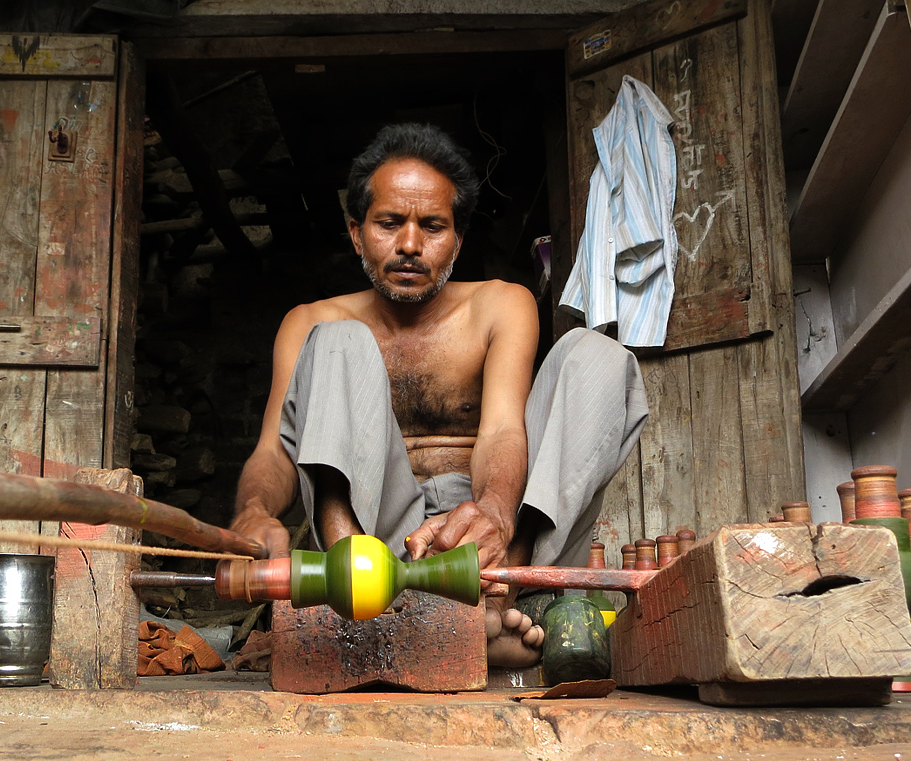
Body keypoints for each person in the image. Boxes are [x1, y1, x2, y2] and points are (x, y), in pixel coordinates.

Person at [230, 123, 648, 667]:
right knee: (333, 342)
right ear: (356, 233)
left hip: (491, 542)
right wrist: (254, 510)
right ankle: (362, 597)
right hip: (375, 538)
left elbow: (502, 430)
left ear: (458, 238)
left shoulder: (501, 305)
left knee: (599, 359)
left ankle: (495, 598)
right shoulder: (309, 322)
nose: (409, 244)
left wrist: (495, 516)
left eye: (432, 226)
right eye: (388, 224)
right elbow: (274, 451)